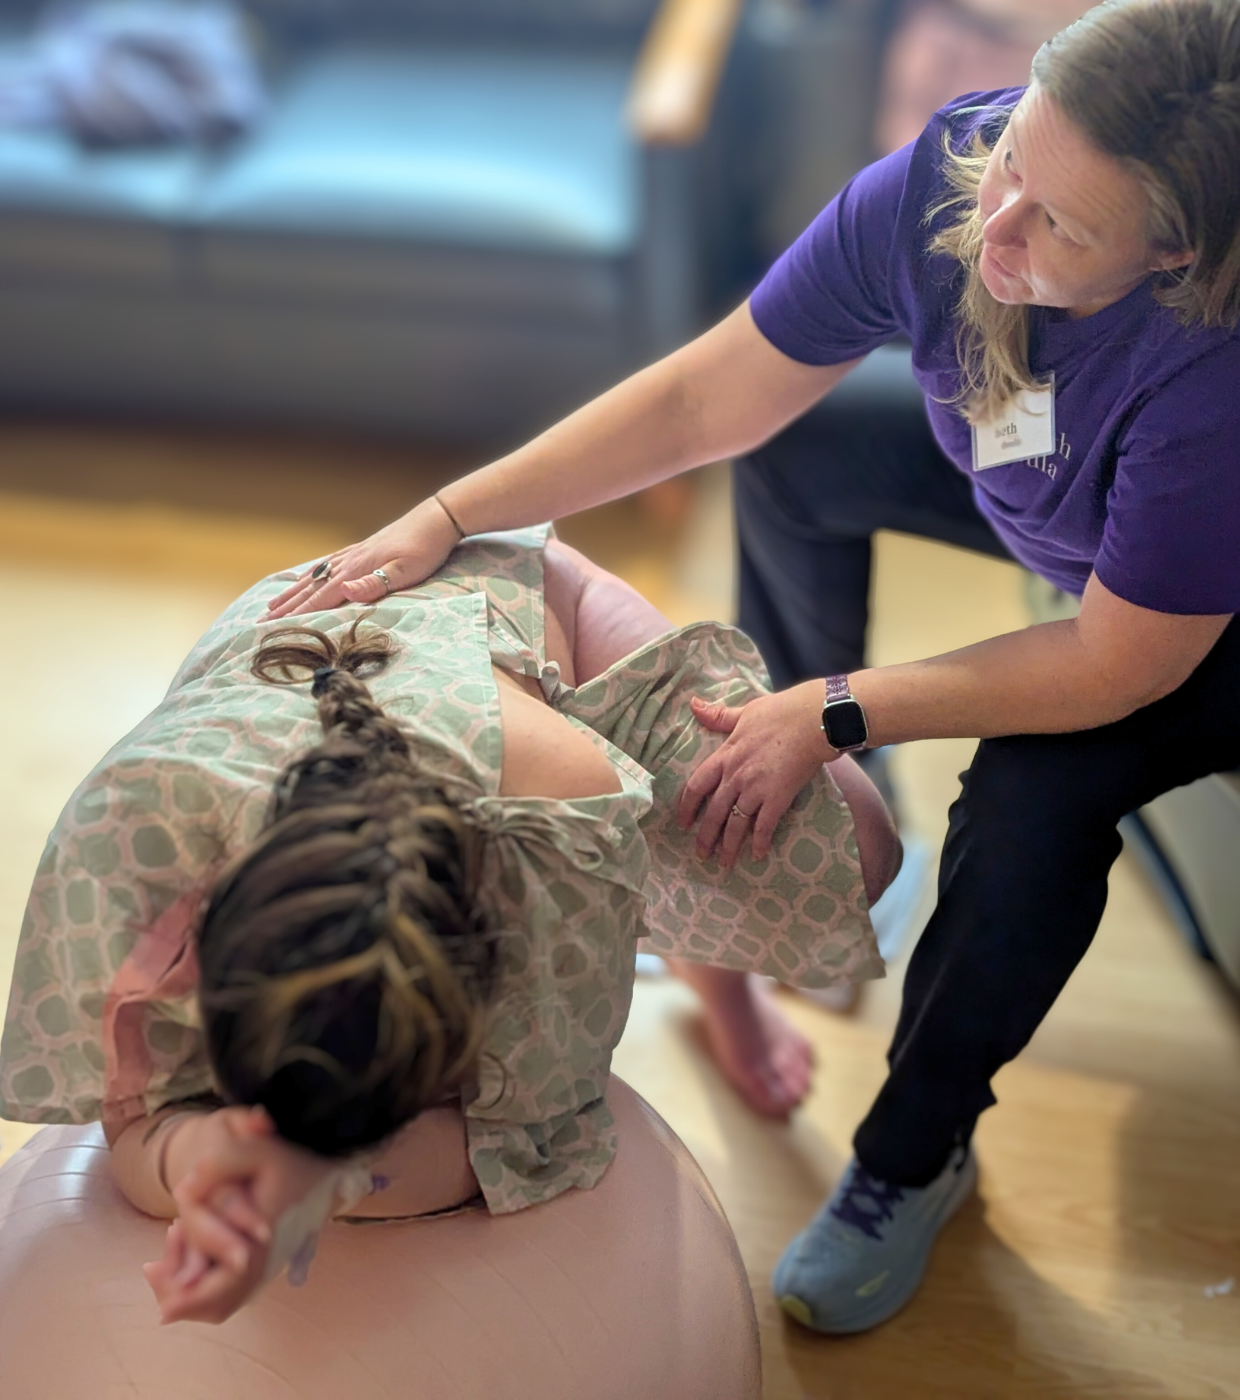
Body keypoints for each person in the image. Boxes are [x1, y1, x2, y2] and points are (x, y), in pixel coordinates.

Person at [256, 0, 1240, 1337]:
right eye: (1014, 161)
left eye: (1061, 227)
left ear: (1177, 253)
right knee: (797, 452)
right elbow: (704, 400)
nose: (998, 226)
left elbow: (1115, 661)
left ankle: (911, 1160)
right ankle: (840, 849)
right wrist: (454, 514)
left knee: (1036, 796)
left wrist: (839, 709)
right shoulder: (964, 177)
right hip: (1080, 505)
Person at [0, 529, 898, 1324]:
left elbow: (539, 1132)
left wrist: (319, 1185)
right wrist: (201, 1160)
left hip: (533, 611)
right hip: (323, 629)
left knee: (854, 849)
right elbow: (133, 1116)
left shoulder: (561, 809)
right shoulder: (120, 839)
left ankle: (720, 995)